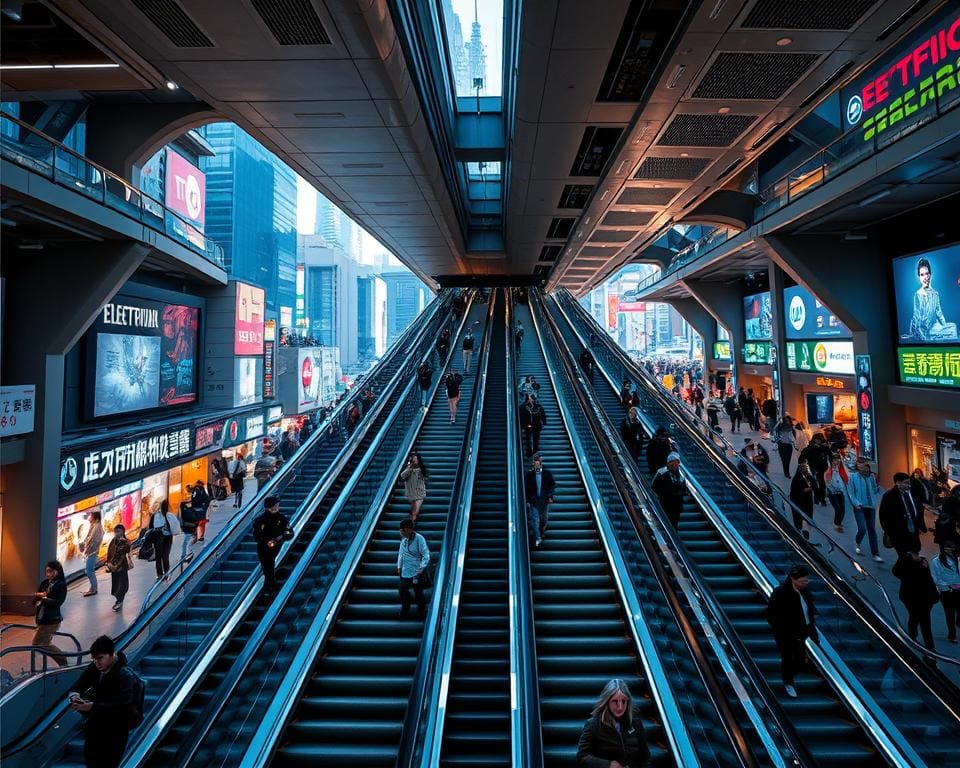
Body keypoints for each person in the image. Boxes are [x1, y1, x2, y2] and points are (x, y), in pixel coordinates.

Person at [766, 564, 818, 698]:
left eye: (806, 581)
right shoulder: (781, 593)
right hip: (786, 633)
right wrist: (780, 629)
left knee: (800, 661)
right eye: (802, 581)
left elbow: (810, 610)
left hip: (802, 632)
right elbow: (771, 613)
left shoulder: (806, 593)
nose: (805, 583)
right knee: (788, 657)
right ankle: (788, 683)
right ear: (793, 579)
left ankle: (788, 677)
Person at [576, 678, 650, 768]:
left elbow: (645, 757)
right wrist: (608, 765)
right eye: (615, 701)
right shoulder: (593, 725)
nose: (620, 707)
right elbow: (582, 757)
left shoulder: (635, 723)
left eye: (624, 701)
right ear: (607, 701)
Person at [892, 551, 940, 652]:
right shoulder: (906, 563)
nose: (916, 556)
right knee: (918, 619)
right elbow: (897, 572)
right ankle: (927, 647)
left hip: (923, 598)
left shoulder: (922, 562)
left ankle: (928, 647)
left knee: (923, 622)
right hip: (912, 598)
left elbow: (928, 578)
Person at [252, 496, 293, 597]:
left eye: (276, 506)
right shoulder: (260, 520)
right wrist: (267, 541)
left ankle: (269, 588)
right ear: (267, 507)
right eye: (272, 506)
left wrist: (282, 537)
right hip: (263, 548)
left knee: (269, 567)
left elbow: (289, 532)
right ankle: (270, 587)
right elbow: (257, 536)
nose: (275, 508)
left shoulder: (282, 519)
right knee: (268, 567)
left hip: (276, 547)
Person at [879, 472, 927, 556]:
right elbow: (883, 516)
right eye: (906, 483)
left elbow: (919, 508)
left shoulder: (912, 492)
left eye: (909, 483)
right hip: (899, 533)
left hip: (914, 530)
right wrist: (890, 532)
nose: (909, 485)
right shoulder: (889, 496)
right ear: (898, 483)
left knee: (915, 552)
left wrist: (920, 525)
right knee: (904, 556)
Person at [846, 460, 884, 563]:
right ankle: (857, 542)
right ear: (860, 468)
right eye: (864, 469)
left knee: (872, 529)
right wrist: (856, 503)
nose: (866, 471)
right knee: (862, 528)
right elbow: (851, 492)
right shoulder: (853, 477)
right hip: (859, 506)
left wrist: (876, 483)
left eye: (868, 470)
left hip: (871, 506)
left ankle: (875, 554)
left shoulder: (871, 477)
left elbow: (875, 491)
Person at [32, 560, 68, 667]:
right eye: (47, 571)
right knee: (43, 643)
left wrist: (43, 598)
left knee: (38, 643)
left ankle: (63, 661)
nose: (48, 574)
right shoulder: (45, 583)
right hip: (42, 618)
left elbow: (58, 602)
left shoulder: (61, 585)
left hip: (51, 620)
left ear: (57, 571)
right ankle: (62, 662)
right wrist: (36, 599)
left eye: (51, 571)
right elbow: (37, 598)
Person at [909, 256, 954, 341]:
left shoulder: (935, 294)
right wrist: (924, 339)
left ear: (930, 275)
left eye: (927, 273)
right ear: (919, 277)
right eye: (922, 275)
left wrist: (945, 328)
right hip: (919, 333)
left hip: (931, 329)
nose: (925, 277)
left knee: (953, 327)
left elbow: (939, 313)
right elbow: (917, 320)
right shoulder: (918, 295)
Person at [397, 518, 430, 619]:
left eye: (402, 530)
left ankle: (421, 611)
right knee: (402, 590)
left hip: (417, 571)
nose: (401, 532)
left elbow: (426, 553)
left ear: (408, 529)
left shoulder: (419, 538)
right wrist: (399, 566)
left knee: (418, 592)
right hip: (406, 571)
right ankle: (405, 608)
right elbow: (401, 554)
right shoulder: (404, 541)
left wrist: (422, 567)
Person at [931, 541, 960, 644]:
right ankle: (952, 635)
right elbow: (936, 578)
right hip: (947, 592)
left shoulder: (958, 559)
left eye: (952, 548)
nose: (950, 550)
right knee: (950, 614)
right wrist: (950, 585)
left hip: (958, 591)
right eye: (948, 548)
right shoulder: (936, 561)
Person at [525, 452, 555, 548]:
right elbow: (525, 488)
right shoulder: (529, 475)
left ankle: (541, 531)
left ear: (541, 463)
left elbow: (552, 485)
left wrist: (550, 496)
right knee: (535, 520)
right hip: (534, 501)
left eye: (538, 462)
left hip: (544, 501)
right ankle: (537, 538)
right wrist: (528, 500)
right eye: (535, 462)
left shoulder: (547, 473)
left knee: (543, 519)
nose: (536, 464)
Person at [652, 452, 686, 528]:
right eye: (672, 462)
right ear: (668, 463)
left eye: (676, 462)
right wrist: (662, 495)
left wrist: (680, 494)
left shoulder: (681, 474)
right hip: (665, 503)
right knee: (666, 521)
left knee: (674, 522)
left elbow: (684, 487)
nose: (674, 465)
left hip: (677, 504)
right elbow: (654, 486)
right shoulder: (661, 472)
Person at [149, 500, 180, 579]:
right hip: (168, 537)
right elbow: (175, 526)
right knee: (165, 555)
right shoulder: (169, 515)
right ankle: (166, 572)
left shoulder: (155, 516)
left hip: (157, 537)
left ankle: (159, 574)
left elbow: (150, 528)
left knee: (158, 556)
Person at [105, 525, 133, 612]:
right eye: (116, 531)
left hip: (122, 566)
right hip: (114, 567)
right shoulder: (113, 541)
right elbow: (110, 552)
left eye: (119, 531)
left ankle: (119, 601)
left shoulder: (126, 541)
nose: (117, 533)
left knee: (122, 584)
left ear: (123, 532)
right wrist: (108, 564)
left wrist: (124, 543)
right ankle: (118, 599)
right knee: (116, 584)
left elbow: (128, 550)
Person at [789, 460, 815, 538]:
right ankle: (799, 530)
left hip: (807, 500)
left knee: (806, 516)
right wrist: (809, 489)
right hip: (797, 499)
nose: (804, 469)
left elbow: (815, 486)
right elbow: (799, 489)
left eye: (806, 467)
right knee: (798, 516)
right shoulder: (797, 478)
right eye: (802, 467)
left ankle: (805, 531)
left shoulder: (809, 476)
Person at [81, 510, 104, 597]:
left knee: (89, 571)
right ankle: (92, 588)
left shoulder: (97, 528)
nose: (89, 517)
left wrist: (86, 550)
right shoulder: (95, 526)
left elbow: (94, 542)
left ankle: (94, 589)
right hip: (91, 553)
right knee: (89, 570)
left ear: (96, 518)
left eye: (90, 516)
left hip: (92, 553)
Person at [400, 452, 428, 523]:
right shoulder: (408, 469)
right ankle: (412, 522)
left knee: (416, 510)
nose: (415, 460)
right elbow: (402, 476)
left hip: (420, 493)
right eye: (413, 458)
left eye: (416, 458)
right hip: (411, 493)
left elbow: (425, 478)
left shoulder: (421, 469)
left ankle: (413, 523)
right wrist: (409, 467)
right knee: (413, 510)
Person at [824, 454, 849, 532]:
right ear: (831, 461)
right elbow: (828, 484)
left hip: (840, 493)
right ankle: (836, 524)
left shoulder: (843, 470)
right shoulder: (828, 471)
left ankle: (839, 522)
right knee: (838, 509)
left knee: (843, 510)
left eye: (838, 460)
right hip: (832, 493)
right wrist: (833, 472)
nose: (837, 461)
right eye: (835, 460)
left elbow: (846, 481)